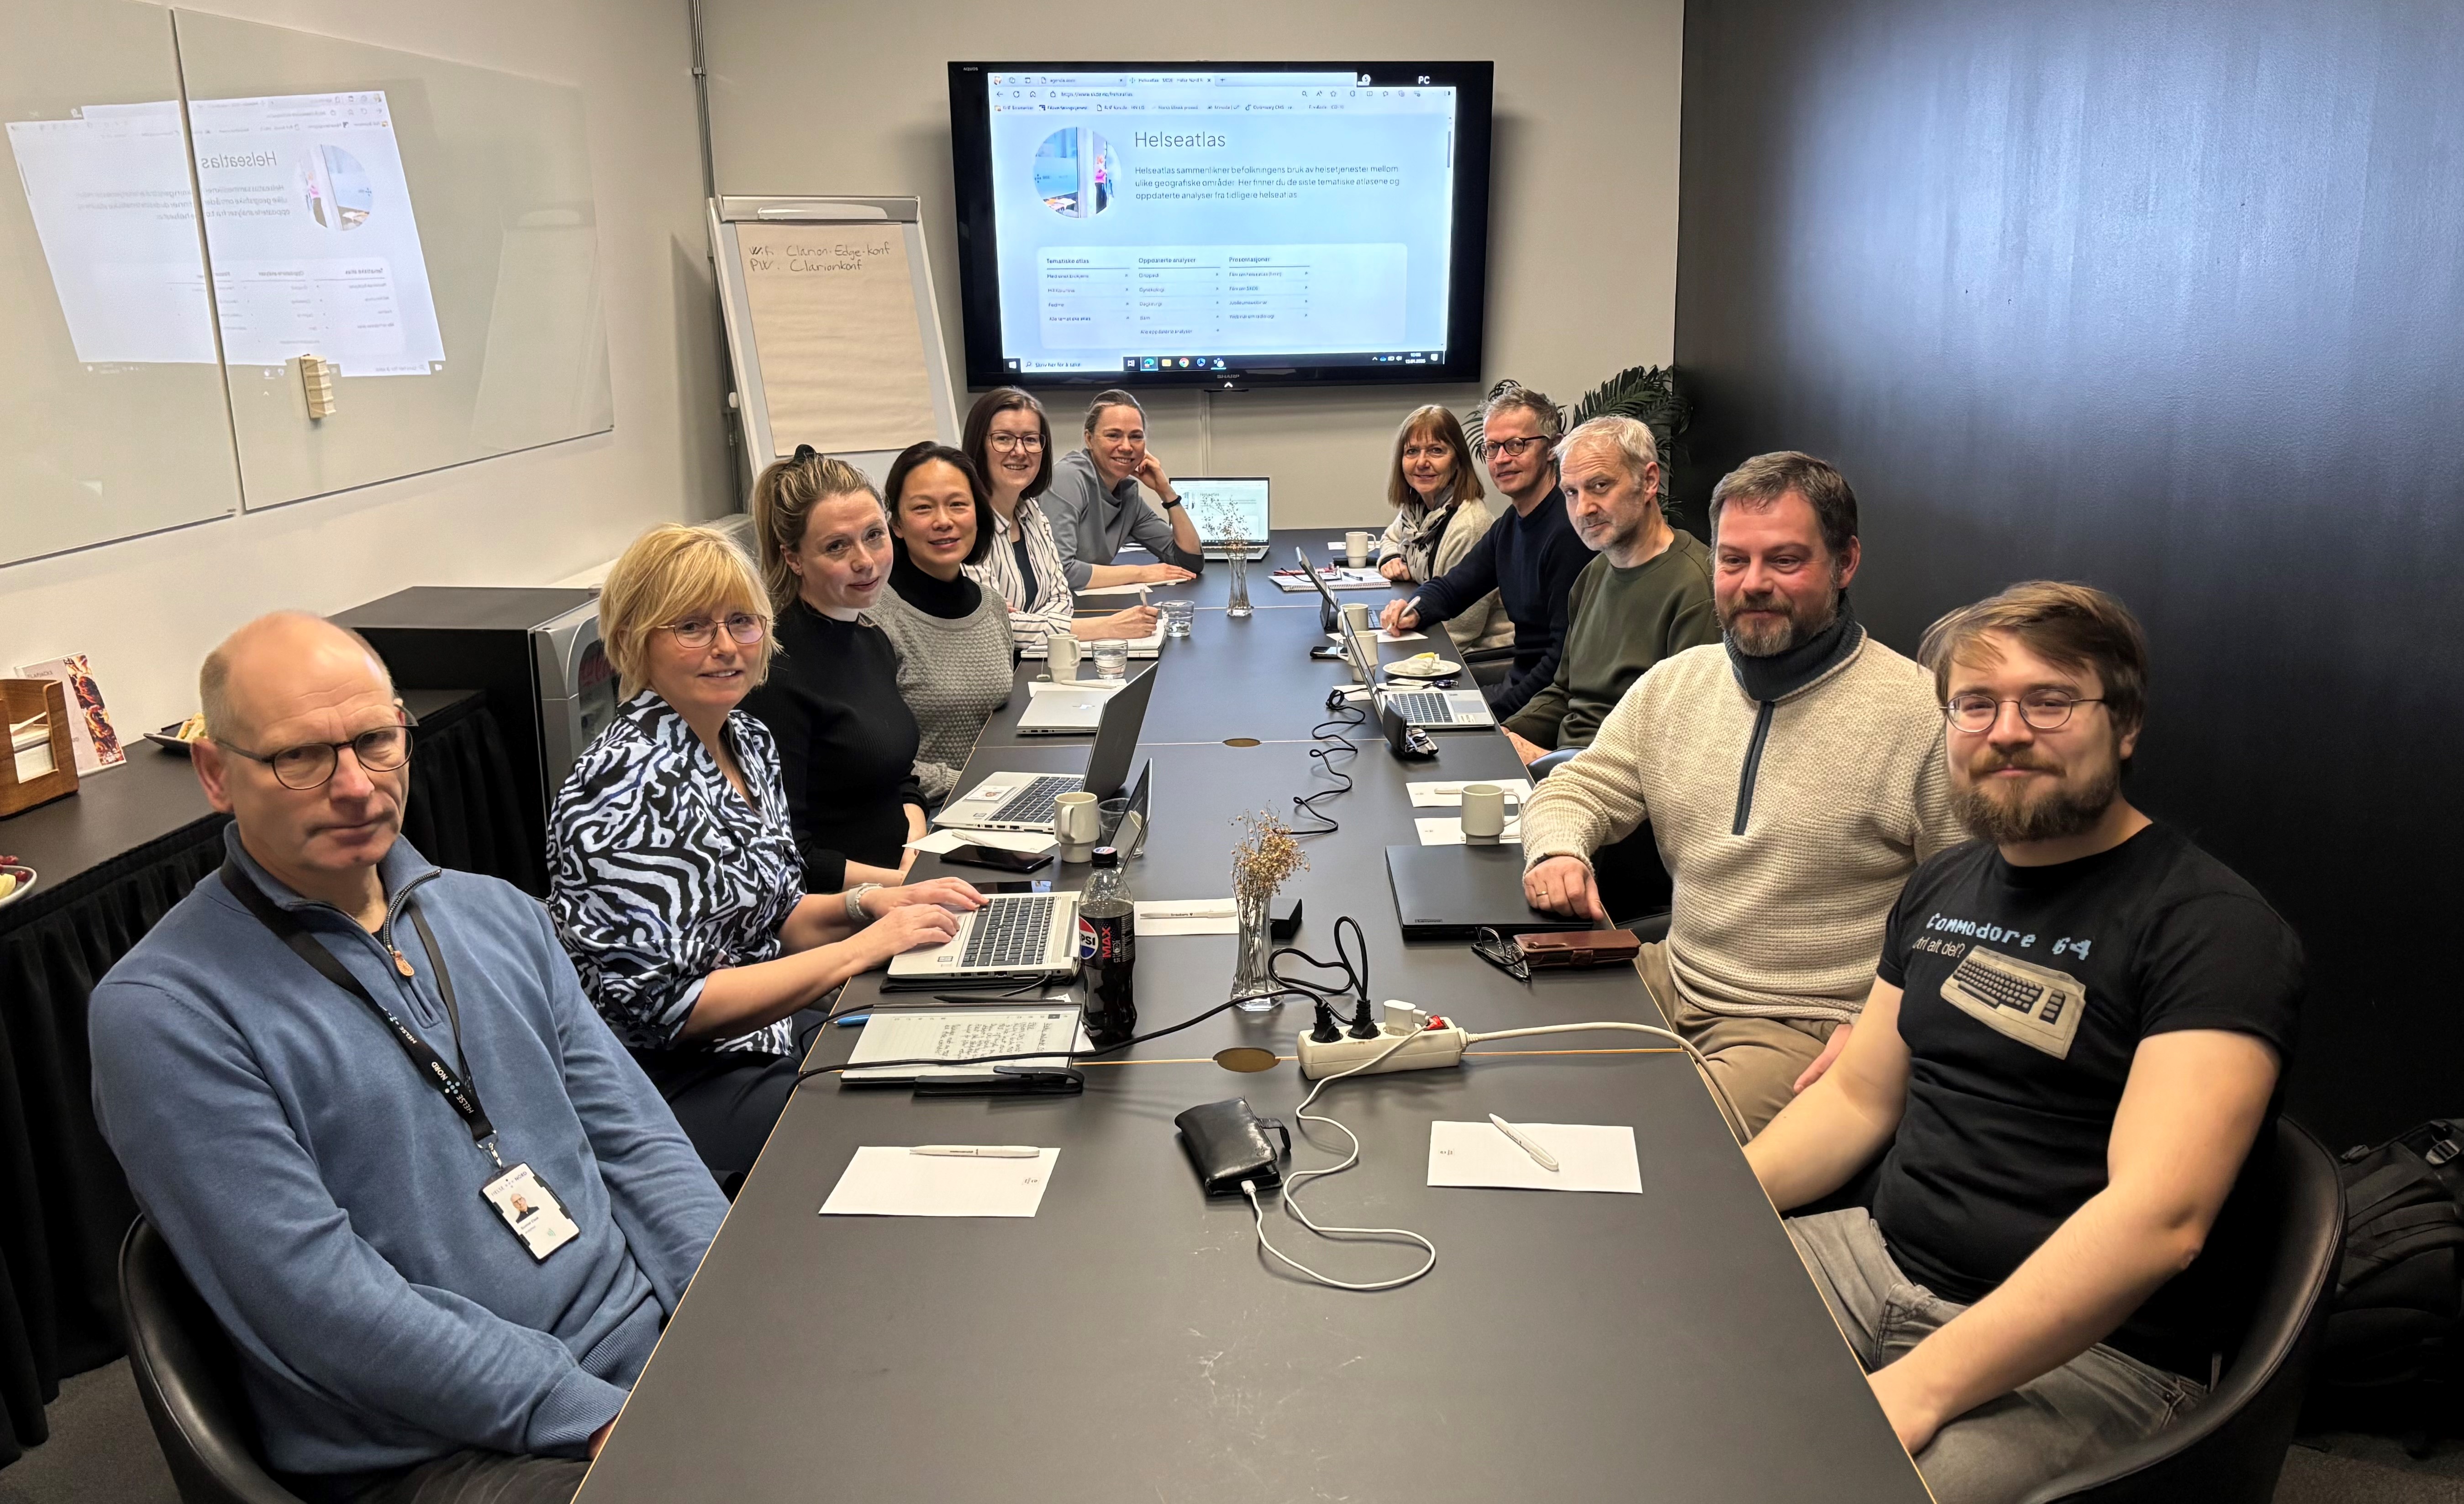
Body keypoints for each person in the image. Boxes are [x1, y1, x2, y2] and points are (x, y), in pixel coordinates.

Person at [89, 611, 729, 1504]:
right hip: (440, 1447)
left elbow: (636, 1142)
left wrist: (728, 1315)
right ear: (215, 775)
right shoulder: (165, 1015)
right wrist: (593, 1413)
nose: (354, 786)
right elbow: (319, 1305)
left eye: (375, 742)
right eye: (300, 757)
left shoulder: (495, 915)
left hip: (649, 1350)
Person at [1748, 582, 2301, 1504]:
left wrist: (1921, 1388)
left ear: (2122, 725)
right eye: (1976, 704)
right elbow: (1857, 1100)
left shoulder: (2213, 930)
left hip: (2094, 1357)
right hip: (1873, 1260)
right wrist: (1719, 1214)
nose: (2007, 731)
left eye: (2048, 701)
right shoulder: (1942, 887)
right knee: (1642, 1349)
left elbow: (2155, 1223)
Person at [1518, 451, 1963, 1138]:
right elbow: (1579, 785)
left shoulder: (1920, 717)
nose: (1753, 584)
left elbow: (1975, 913)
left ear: (1845, 564)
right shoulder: (1678, 684)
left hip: (1801, 1025)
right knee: (1506, 1058)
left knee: (1644, 1146)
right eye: (1733, 561)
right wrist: (1556, 852)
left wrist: (1895, 1033)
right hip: (1676, 972)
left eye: (1785, 561)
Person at [549, 525, 980, 1191]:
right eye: (691, 626)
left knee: (948, 1057)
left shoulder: (745, 738)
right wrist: (863, 948)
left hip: (765, 1036)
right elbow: (675, 1008)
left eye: (741, 622)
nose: (726, 647)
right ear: (637, 638)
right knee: (896, 1125)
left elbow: (779, 915)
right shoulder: (622, 785)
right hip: (673, 1080)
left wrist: (870, 905)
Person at [737, 447, 935, 888]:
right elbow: (791, 854)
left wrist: (918, 844)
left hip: (911, 872)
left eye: (874, 536)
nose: (865, 560)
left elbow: (900, 778)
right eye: (837, 546)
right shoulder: (775, 673)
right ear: (794, 559)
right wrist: (900, 886)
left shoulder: (872, 641)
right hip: (845, 911)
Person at [1501, 415, 1719, 762]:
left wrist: (1544, 760)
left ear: (1649, 482)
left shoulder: (1696, 589)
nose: (1583, 509)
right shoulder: (1593, 575)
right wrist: (1505, 736)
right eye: (1571, 493)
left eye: (1600, 486)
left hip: (1615, 791)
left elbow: (1677, 749)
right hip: (1563, 769)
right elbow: (1564, 692)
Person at [1379, 382, 1591, 716]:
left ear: (1553, 448)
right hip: (1517, 687)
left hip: (1544, 704)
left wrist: (1491, 715)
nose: (1502, 459)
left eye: (1517, 445)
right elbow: (1454, 587)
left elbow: (1559, 662)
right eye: (1493, 448)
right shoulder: (1512, 523)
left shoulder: (1569, 531)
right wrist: (1414, 610)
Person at [961, 387, 1160, 650]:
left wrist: (1026, 623)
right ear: (979, 444)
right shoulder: (964, 524)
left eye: (1031, 440)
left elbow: (1062, 597)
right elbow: (990, 627)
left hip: (1043, 658)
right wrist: (1105, 627)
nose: (1020, 451)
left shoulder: (1032, 514)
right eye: (1004, 439)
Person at [872, 442, 1018, 794]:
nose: (944, 521)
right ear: (898, 525)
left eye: (958, 505)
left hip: (998, 797)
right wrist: (971, 787)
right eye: (923, 508)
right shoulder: (875, 621)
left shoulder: (992, 607)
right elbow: (874, 760)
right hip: (925, 816)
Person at [1373, 404, 1511, 654]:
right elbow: (1391, 537)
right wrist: (1392, 557)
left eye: (1436, 451)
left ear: (1457, 461)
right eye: (1412, 451)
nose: (1422, 462)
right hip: (1434, 633)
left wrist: (1392, 649)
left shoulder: (1468, 525)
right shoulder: (1420, 507)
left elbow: (1460, 629)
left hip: (1474, 654)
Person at [1041, 389, 1206, 588]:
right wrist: (1140, 573)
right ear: (1089, 439)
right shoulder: (1067, 478)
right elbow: (1061, 572)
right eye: (1113, 436)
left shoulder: (1127, 494)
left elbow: (1190, 562)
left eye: (1136, 437)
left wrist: (1166, 493)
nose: (1127, 447)